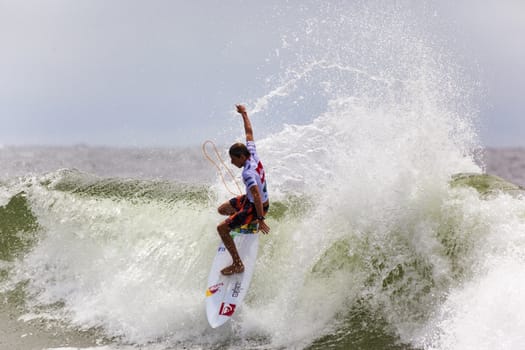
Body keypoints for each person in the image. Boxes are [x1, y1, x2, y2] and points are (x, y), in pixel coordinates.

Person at [216, 104, 270, 275]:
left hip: (255, 207)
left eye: (233, 160)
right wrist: (244, 114)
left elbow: (257, 196)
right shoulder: (252, 153)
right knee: (222, 209)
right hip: (251, 200)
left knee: (222, 229)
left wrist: (260, 218)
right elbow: (249, 133)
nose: (232, 163)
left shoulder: (247, 173)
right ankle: (247, 221)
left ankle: (238, 264)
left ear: (241, 157)